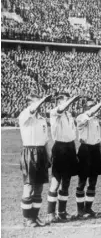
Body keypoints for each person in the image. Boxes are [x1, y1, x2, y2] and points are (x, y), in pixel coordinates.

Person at [75, 97, 101, 218]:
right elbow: (89, 115)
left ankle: (88, 208)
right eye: (91, 106)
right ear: (85, 107)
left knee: (93, 181)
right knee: (82, 182)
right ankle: (80, 210)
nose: (93, 108)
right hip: (85, 150)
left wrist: (100, 156)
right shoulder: (81, 117)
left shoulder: (96, 120)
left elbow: (98, 139)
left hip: (95, 150)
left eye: (94, 105)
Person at [18, 92, 52, 227]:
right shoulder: (24, 115)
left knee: (39, 187)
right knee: (29, 186)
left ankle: (35, 216)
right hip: (29, 153)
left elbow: (45, 141)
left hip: (41, 153)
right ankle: (27, 219)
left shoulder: (42, 119)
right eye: (37, 102)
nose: (40, 105)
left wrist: (48, 156)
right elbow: (32, 109)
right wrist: (43, 99)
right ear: (29, 104)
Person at [47, 93, 80, 223]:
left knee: (66, 182)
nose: (68, 102)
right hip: (60, 148)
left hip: (70, 147)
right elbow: (61, 108)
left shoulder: (69, 115)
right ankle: (50, 213)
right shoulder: (55, 112)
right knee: (56, 181)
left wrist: (75, 150)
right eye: (65, 100)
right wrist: (72, 100)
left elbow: (72, 133)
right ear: (59, 101)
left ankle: (62, 212)